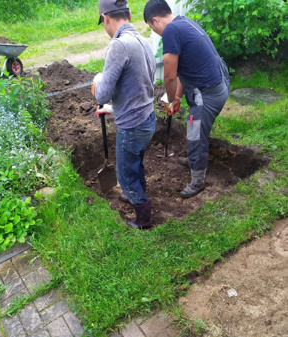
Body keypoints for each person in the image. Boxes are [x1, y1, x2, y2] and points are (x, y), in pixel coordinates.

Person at [144, 0, 230, 198]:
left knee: (195, 135)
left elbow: (170, 76)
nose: (154, 32)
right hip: (217, 84)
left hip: (208, 93)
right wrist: (178, 97)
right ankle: (194, 159)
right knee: (195, 131)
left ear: (155, 20)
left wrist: (171, 100)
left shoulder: (171, 31)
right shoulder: (183, 22)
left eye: (151, 27)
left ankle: (198, 181)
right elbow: (184, 70)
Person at [91, 0, 156, 229]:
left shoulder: (119, 45)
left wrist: (96, 86)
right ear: (128, 14)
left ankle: (143, 218)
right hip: (148, 118)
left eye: (103, 23)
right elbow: (141, 84)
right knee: (136, 163)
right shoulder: (143, 40)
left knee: (126, 176)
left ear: (106, 18)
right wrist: (113, 108)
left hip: (132, 126)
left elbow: (103, 93)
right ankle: (136, 193)